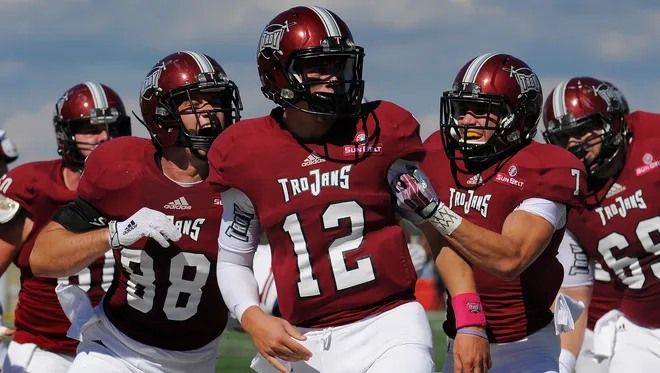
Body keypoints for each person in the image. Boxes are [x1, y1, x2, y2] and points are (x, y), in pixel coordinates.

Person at [208, 6, 435, 373]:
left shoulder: (381, 131)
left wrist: (468, 311)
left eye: (339, 65)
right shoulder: (246, 153)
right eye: (318, 67)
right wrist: (252, 317)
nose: (333, 78)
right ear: (279, 73)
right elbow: (233, 257)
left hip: (389, 326)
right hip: (303, 337)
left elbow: (433, 226)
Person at [29, 51, 242, 372]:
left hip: (197, 359)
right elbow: (42, 259)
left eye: (216, 101)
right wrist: (113, 233)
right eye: (194, 105)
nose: (211, 114)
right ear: (162, 113)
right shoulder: (123, 170)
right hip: (117, 349)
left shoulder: (239, 175)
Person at [392, 53, 587, 373]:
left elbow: (509, 259)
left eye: (480, 110)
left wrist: (434, 212)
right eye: (461, 109)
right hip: (462, 337)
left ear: (518, 115)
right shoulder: (439, 155)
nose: (466, 120)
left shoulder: (542, 168)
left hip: (526, 347)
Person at [0, 82, 130, 372]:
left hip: (118, 348)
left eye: (112, 127)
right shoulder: (31, 187)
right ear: (66, 133)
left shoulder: (140, 184)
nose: (104, 137)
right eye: (91, 129)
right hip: (45, 346)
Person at [543, 77, 660, 373]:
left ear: (615, 120)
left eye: (583, 131)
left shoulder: (653, 139)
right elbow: (569, 289)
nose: (575, 146)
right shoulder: (564, 194)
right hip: (641, 329)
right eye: (563, 139)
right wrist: (563, 356)